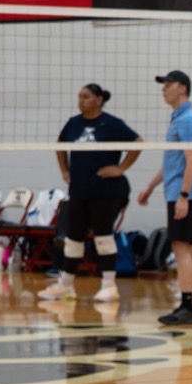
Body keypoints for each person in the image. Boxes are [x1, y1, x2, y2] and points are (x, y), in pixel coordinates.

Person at [44, 83, 141, 303]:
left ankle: (109, 286)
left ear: (99, 100)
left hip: (105, 191)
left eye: (86, 97)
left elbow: (138, 144)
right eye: (79, 96)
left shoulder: (112, 124)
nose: (80, 100)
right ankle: (66, 286)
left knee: (103, 237)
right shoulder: (73, 123)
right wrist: (64, 170)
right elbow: (59, 146)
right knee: (73, 239)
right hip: (78, 190)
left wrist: (121, 168)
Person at [135, 70, 192, 325]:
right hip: (186, 191)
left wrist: (183, 196)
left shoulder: (188, 120)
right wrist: (150, 185)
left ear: (182, 88)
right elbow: (173, 162)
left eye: (169, 84)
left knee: (181, 248)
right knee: (191, 248)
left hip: (188, 192)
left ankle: (188, 304)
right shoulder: (180, 118)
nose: (164, 89)